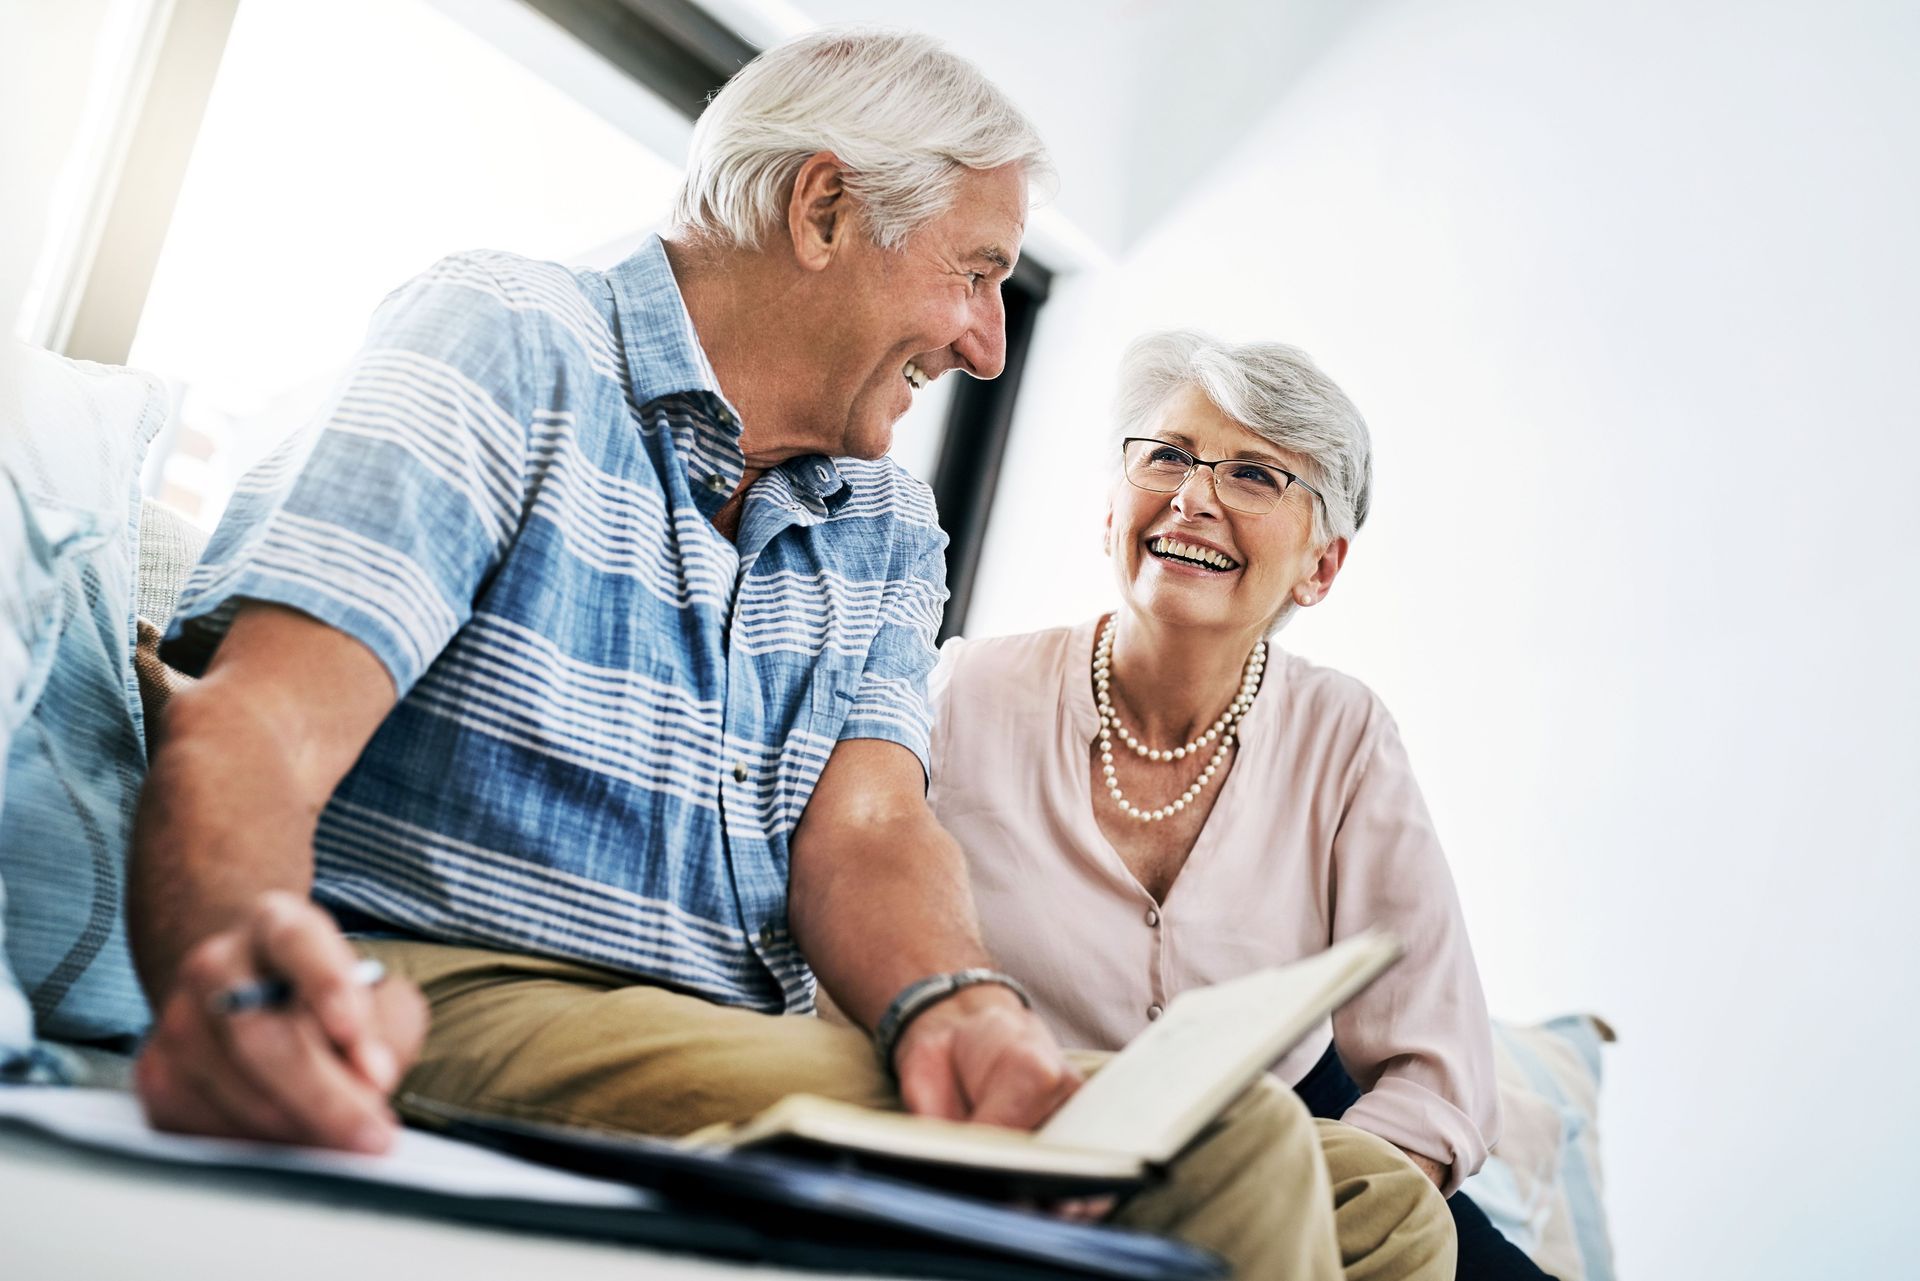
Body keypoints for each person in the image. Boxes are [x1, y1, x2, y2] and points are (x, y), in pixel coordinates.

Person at [126, 29, 1453, 1280]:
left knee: (1385, 1208)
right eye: (979, 270)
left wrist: (954, 1005)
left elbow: (869, 826)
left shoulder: (883, 519)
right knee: (1227, 1147)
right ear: (824, 212)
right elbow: (261, 723)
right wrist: (236, 985)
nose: (987, 343)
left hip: (712, 1033)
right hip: (455, 983)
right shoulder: (513, 335)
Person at [928, 330, 1550, 1278]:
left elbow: (1435, 1064)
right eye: (1167, 455)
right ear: (1110, 509)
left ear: (1321, 566)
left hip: (1290, 1131)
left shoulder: (1344, 732)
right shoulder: (963, 692)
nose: (1193, 496)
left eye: (1254, 474)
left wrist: (1309, 1221)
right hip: (1032, 1147)